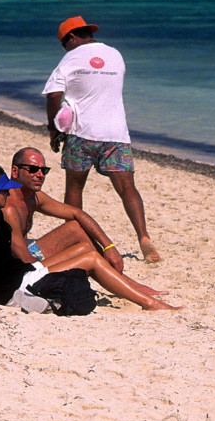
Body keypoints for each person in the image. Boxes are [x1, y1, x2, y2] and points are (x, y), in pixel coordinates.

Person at [0, 165, 179, 312]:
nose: (8, 193)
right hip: (16, 285)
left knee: (86, 251)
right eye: (5, 191)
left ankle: (132, 289)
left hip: (18, 274)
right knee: (92, 260)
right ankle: (149, 303)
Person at [43, 16, 162, 263]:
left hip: (82, 133)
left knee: (75, 188)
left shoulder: (71, 57)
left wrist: (54, 130)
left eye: (63, 44)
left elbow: (54, 95)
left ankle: (74, 236)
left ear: (72, 38)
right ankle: (143, 236)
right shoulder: (115, 55)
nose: (64, 48)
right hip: (116, 134)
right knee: (127, 187)